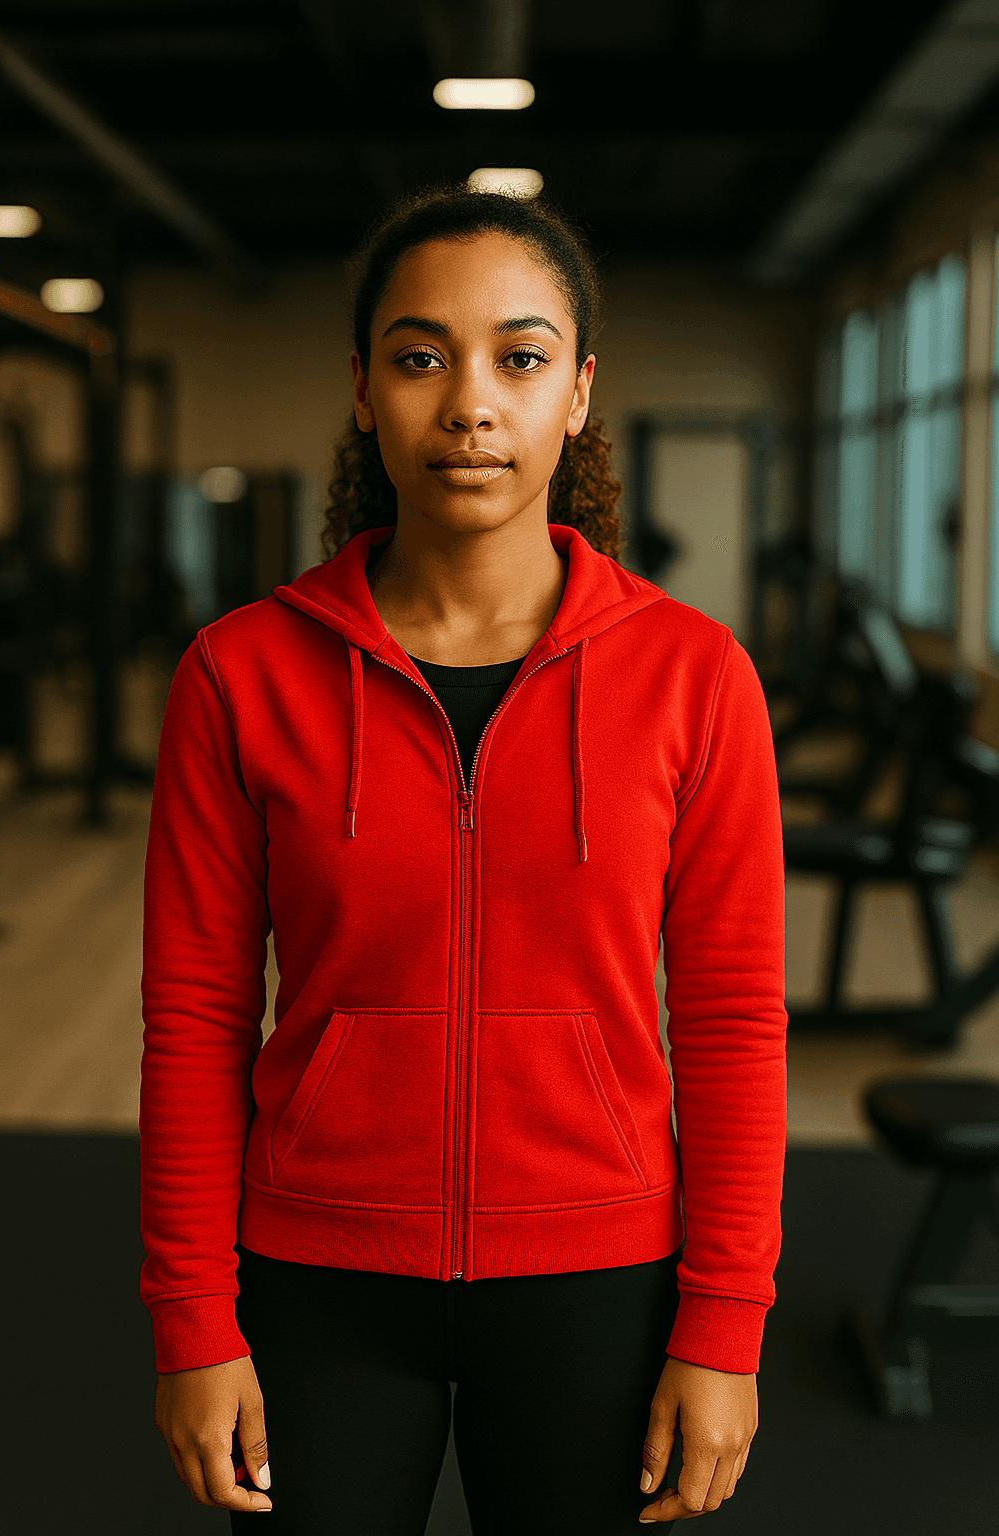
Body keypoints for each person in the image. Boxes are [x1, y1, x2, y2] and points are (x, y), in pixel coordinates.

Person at [141, 184, 788, 1535]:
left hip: (599, 1276)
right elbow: (195, 1021)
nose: (471, 403)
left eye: (522, 356)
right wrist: (194, 1320)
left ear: (579, 393)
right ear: (365, 389)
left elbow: (732, 1024)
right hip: (314, 1274)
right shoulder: (241, 675)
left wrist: (724, 1327)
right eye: (422, 355)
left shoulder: (693, 677)